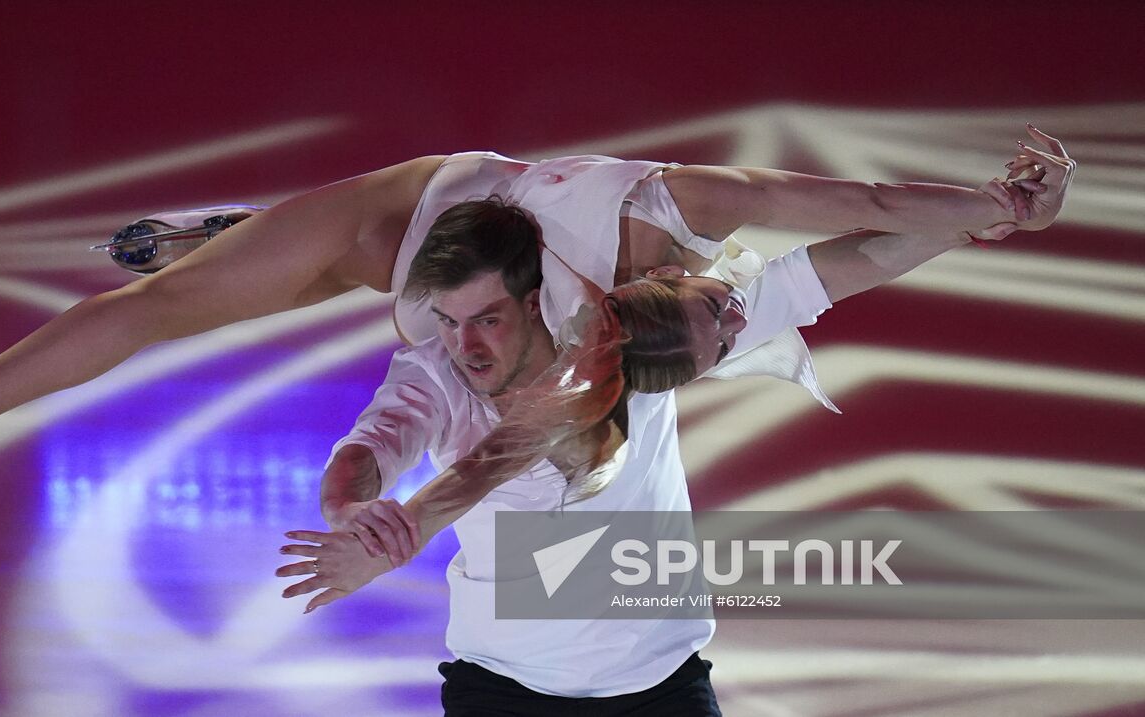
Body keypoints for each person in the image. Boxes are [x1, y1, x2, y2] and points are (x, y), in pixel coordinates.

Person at [0, 126, 1071, 515]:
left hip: (391, 254)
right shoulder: (687, 214)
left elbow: (471, 450)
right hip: (408, 208)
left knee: (195, 298)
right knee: (166, 302)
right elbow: (857, 206)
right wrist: (999, 208)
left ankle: (230, 236)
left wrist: (378, 513)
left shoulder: (562, 375)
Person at [272, 137, 1074, 714]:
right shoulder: (442, 376)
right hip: (502, 691)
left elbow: (862, 254)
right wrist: (357, 515)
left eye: (484, 318)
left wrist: (987, 216)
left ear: (526, 301)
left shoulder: (656, 335)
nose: (463, 344)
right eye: (451, 321)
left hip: (661, 690)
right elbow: (368, 455)